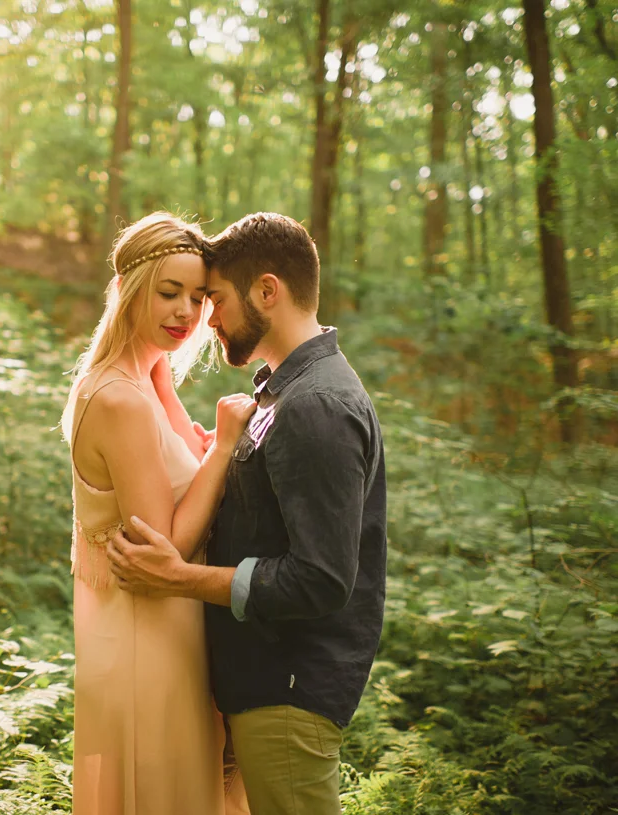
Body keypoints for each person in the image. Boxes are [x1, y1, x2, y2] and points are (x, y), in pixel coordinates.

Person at [107, 212, 387, 815]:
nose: (208, 319)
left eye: (217, 300)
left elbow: (322, 578)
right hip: (259, 680)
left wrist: (179, 578)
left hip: (289, 687)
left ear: (267, 290)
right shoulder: (281, 389)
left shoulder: (317, 405)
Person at [62, 212, 255, 815]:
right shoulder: (119, 396)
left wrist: (194, 455)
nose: (186, 312)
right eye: (169, 292)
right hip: (147, 638)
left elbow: (174, 479)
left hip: (177, 628)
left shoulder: (150, 373)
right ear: (128, 290)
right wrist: (222, 447)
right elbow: (163, 548)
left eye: (198, 297)